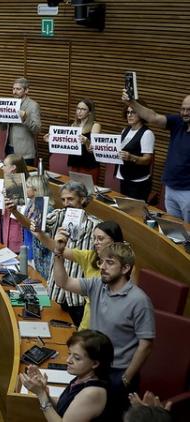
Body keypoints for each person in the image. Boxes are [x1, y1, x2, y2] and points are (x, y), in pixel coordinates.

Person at [51, 238, 155, 413]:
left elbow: (146, 345)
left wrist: (126, 379)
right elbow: (64, 282)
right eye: (102, 262)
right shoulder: (97, 285)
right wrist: (58, 254)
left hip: (118, 372)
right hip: (94, 367)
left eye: (110, 263)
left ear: (125, 268)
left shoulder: (139, 301)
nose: (102, 267)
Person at [33, 180, 101, 326]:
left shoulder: (96, 226)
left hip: (79, 295)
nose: (66, 203)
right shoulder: (58, 215)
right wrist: (35, 224)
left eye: (70, 199)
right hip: (56, 291)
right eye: (63, 200)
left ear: (82, 199)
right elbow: (39, 224)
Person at [121, 91, 190, 220]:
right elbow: (153, 117)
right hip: (170, 187)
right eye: (183, 109)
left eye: (189, 110)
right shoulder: (178, 122)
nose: (185, 113)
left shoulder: (146, 133)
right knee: (174, 228)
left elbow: (146, 159)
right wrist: (132, 103)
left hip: (187, 190)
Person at [19, 330, 114, 422]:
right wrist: (43, 390)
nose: (68, 360)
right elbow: (63, 407)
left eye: (77, 358)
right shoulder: (82, 377)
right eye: (69, 354)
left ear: (95, 363)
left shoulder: (92, 393)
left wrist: (41, 394)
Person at [8, 174, 53, 279]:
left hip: (40, 256)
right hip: (28, 250)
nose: (25, 189)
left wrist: (14, 211)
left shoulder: (48, 210)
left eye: (28, 187)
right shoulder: (29, 204)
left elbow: (32, 226)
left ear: (36, 190)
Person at [51, 99, 101, 181]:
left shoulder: (95, 125)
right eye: (78, 108)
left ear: (90, 112)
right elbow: (67, 144)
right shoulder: (73, 125)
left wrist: (86, 141)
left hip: (88, 166)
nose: (79, 112)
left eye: (83, 109)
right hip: (75, 164)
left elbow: (93, 148)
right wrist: (53, 139)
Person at [115, 101, 155, 201]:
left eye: (133, 112)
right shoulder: (125, 130)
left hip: (138, 181)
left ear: (141, 114)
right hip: (124, 177)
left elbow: (147, 160)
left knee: (134, 213)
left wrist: (131, 157)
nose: (129, 115)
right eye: (128, 112)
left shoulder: (147, 133)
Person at [0, 77, 40, 165]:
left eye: (18, 89)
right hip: (9, 149)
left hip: (25, 153)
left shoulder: (33, 105)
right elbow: (3, 127)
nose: (14, 92)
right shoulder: (10, 104)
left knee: (23, 178)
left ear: (26, 90)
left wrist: (25, 118)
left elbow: (37, 129)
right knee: (10, 177)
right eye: (13, 89)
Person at [0, 154, 28, 252]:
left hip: (14, 228)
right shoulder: (4, 181)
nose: (2, 167)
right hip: (2, 225)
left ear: (13, 168)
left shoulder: (22, 185)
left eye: (4, 165)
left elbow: (20, 211)